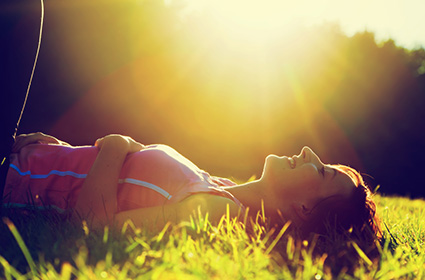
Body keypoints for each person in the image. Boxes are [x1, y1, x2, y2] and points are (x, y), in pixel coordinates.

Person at [2, 132, 381, 240]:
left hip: (10, 182)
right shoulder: (221, 187)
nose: (309, 152)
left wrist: (116, 146)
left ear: (303, 210)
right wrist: (58, 149)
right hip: (21, 157)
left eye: (321, 171)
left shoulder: (219, 210)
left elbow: (91, 225)